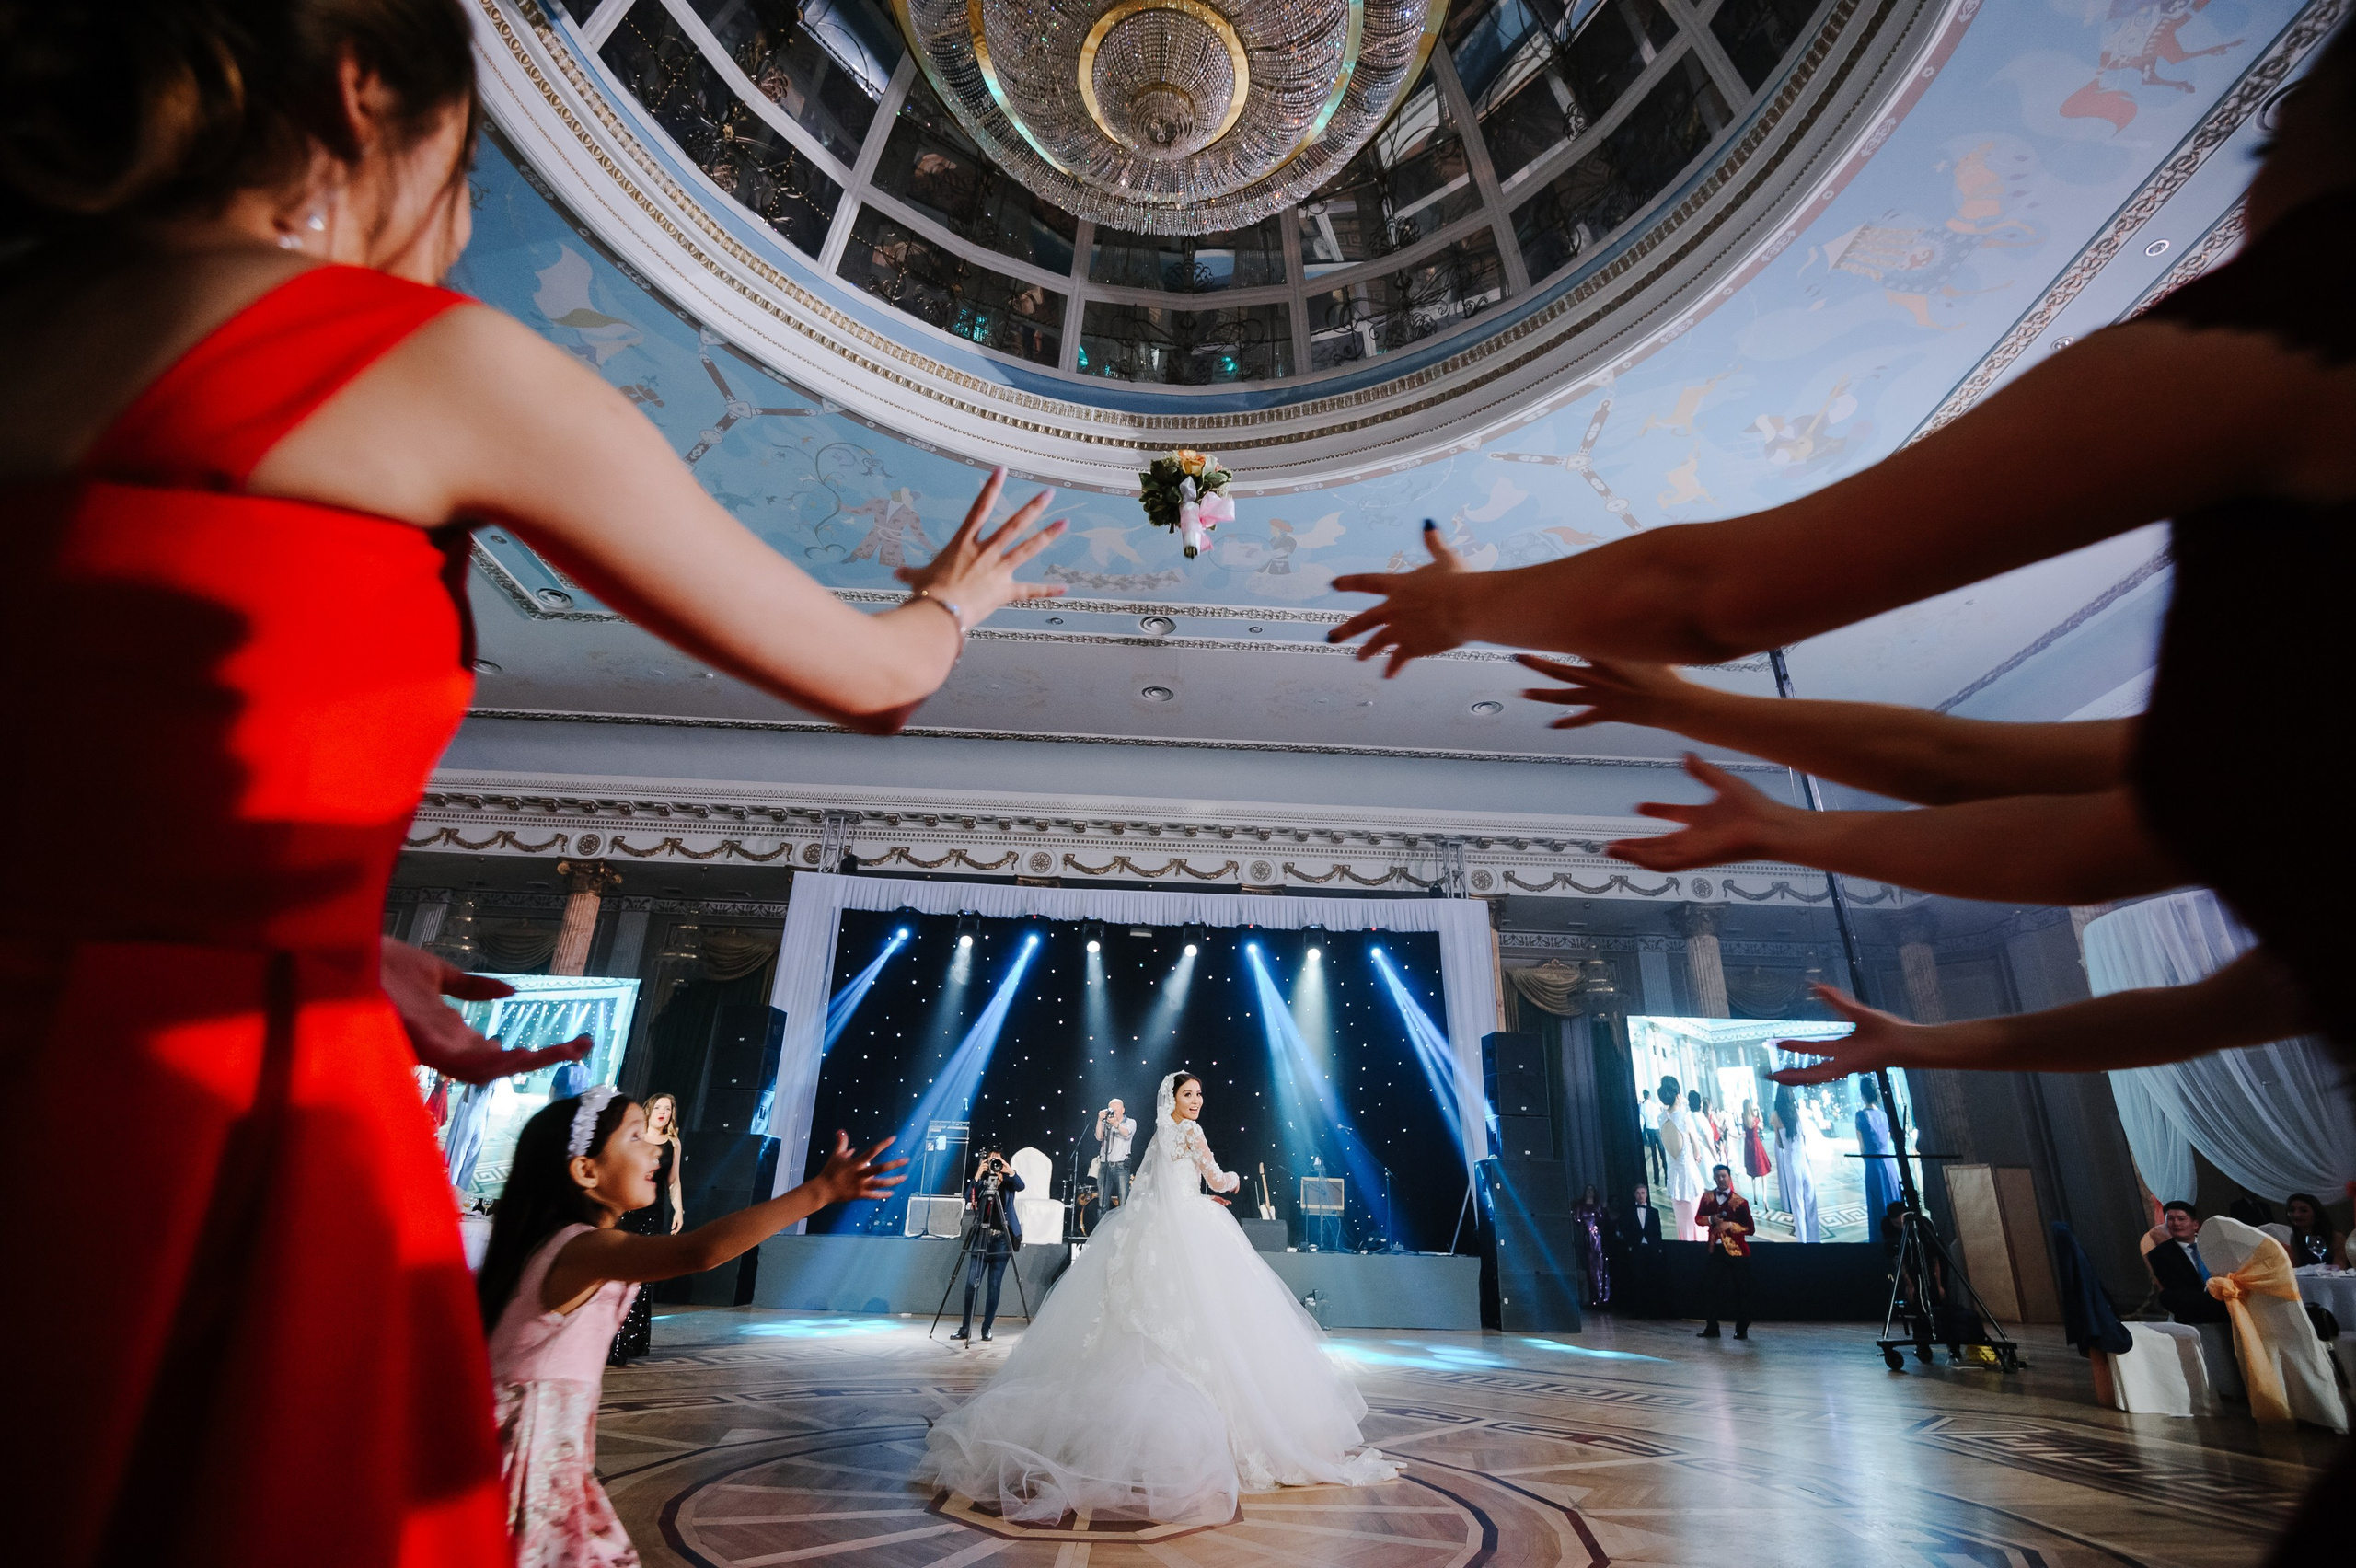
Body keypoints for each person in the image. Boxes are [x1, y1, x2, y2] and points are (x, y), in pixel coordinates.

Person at [0, 4, 1063, 1558]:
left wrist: (319, 940)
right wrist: (957, 600)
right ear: (365, 94)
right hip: (205, 1104)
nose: (452, 225)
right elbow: (872, 672)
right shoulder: (407, 357)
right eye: (465, 172)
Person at [918, 1072, 1396, 1525]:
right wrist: (1230, 1181)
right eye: (1190, 1095)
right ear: (1175, 1098)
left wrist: (1181, 1203)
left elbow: (1145, 1188)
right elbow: (1213, 1177)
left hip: (1156, 1228)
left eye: (1200, 1096)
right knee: (1212, 1321)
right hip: (1192, 1229)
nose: (1197, 1102)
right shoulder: (1190, 1133)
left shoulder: (1157, 1134)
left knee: (1146, 1323)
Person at [477, 1090, 903, 1565]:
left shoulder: (562, 1247)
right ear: (586, 1170)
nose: (655, 1146)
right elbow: (697, 1253)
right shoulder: (583, 1248)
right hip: (525, 1472)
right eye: (635, 1136)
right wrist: (818, 1192)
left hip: (545, 1463)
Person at [607, 1090, 686, 1366]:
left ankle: (626, 1343)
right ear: (649, 1110)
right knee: (615, 1273)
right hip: (627, 1208)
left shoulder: (672, 1144)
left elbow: (673, 1182)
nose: (663, 1112)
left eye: (668, 1108)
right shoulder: (635, 1138)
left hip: (652, 1214)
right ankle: (605, 1338)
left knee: (640, 1278)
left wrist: (679, 1209)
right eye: (659, 1107)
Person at [952, 1149, 1025, 1343]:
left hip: (1001, 1241)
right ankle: (965, 1328)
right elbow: (969, 1198)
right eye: (991, 1159)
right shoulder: (983, 1181)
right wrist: (977, 1174)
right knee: (970, 1285)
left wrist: (1010, 1171)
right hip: (981, 1238)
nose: (994, 1163)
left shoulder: (1009, 1183)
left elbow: (1021, 1185)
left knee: (994, 1286)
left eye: (998, 1160)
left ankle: (987, 1328)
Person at [1693, 1166, 1754, 1340]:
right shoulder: (1707, 1197)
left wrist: (1730, 1226)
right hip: (1716, 1250)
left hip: (1738, 1252)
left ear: (1729, 1177)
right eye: (1718, 1176)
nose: (1721, 1179)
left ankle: (1741, 1329)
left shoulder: (1740, 1202)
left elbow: (1750, 1228)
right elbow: (1698, 1219)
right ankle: (1712, 1327)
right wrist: (1711, 1219)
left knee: (1742, 1291)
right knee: (1709, 1287)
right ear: (1714, 1178)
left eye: (1724, 1176)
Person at [1770, 1085, 1821, 1244]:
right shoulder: (1797, 1113)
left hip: (1791, 1163)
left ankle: (1803, 1243)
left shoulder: (1776, 1116)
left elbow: (1780, 1144)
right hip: (1803, 1162)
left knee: (1797, 1206)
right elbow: (1804, 1139)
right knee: (1811, 1203)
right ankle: (1815, 1241)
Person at [1656, 1078, 1703, 1237]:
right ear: (1678, 1095)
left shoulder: (1661, 1118)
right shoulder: (1684, 1117)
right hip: (1689, 1177)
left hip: (1673, 1177)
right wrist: (1697, 1153)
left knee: (1683, 1225)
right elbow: (1697, 1144)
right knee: (1696, 1221)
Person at [1854, 1077, 1902, 1227]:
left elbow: (1862, 1146)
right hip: (1889, 1164)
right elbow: (1886, 1139)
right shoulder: (1883, 1115)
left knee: (1878, 1204)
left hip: (1873, 1165)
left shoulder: (1861, 1115)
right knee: (1893, 1200)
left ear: (1862, 1096)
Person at [1571, 1183, 1611, 1308]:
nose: (1589, 1192)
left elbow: (1604, 1221)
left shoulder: (1598, 1207)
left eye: (1591, 1190)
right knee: (1589, 1267)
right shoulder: (1580, 1207)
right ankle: (1592, 1297)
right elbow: (1576, 1220)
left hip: (1598, 1239)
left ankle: (1602, 1297)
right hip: (1586, 1239)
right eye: (1587, 1189)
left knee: (1600, 1266)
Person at [2283, 1193, 2348, 1268]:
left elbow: (2339, 1268)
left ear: (2316, 1213)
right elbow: (2297, 1266)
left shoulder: (2336, 1237)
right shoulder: (2295, 1238)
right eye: (2292, 1210)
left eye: (2304, 1211)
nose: (2296, 1215)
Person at [1096, 1097, 1138, 1209]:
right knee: (1102, 1203)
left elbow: (1126, 1133)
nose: (1113, 1113)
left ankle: (1123, 1227)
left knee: (1123, 1203)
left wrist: (1116, 1124)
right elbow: (1099, 1137)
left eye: (1116, 1110)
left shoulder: (1130, 1122)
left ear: (1123, 1110)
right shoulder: (1106, 1123)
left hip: (1120, 1167)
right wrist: (1100, 1120)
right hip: (1105, 1166)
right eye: (1111, 1110)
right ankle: (1101, 1226)